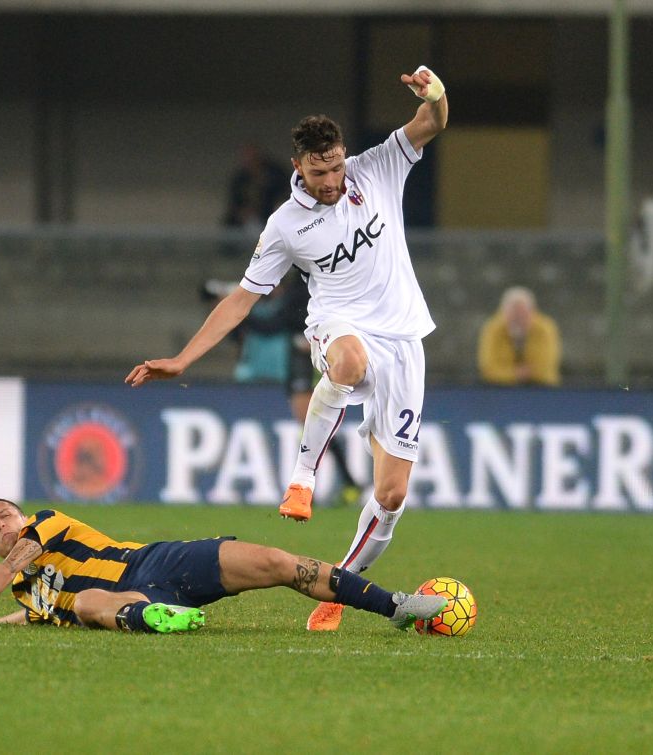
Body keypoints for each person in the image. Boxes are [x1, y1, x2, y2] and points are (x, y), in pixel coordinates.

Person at [127, 65, 449, 632]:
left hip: (403, 340)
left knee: (392, 494)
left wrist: (437, 93)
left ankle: (341, 587)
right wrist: (183, 359)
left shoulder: (377, 168)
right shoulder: (284, 226)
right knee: (348, 361)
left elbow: (432, 122)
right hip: (336, 323)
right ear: (299, 166)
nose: (331, 179)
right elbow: (241, 300)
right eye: (319, 171)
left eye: (336, 166)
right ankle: (303, 478)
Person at [0, 496, 448, 633]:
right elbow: (35, 611)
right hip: (130, 597)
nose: (0, 525)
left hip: (154, 561)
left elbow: (4, 573)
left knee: (277, 562)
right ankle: (160, 618)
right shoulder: (29, 593)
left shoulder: (45, 524)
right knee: (87, 603)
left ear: (22, 516)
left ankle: (394, 605)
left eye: (4, 515)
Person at [201, 270, 363, 504]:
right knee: (312, 425)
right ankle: (339, 484)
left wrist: (240, 312)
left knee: (312, 424)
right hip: (305, 360)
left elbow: (273, 324)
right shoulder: (314, 283)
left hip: (306, 363)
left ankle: (319, 487)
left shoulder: (301, 290)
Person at [477, 286, 562, 387]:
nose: (518, 317)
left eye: (523, 312)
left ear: (532, 312)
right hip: (501, 388)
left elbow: (546, 367)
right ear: (503, 312)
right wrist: (515, 374)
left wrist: (514, 373)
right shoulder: (493, 329)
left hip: (542, 388)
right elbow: (488, 368)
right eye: (514, 313)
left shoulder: (545, 328)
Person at [222, 144, 291, 233]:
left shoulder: (276, 174)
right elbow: (235, 202)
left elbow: (285, 193)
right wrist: (242, 212)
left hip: (271, 214)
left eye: (252, 158)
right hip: (248, 221)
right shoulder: (240, 178)